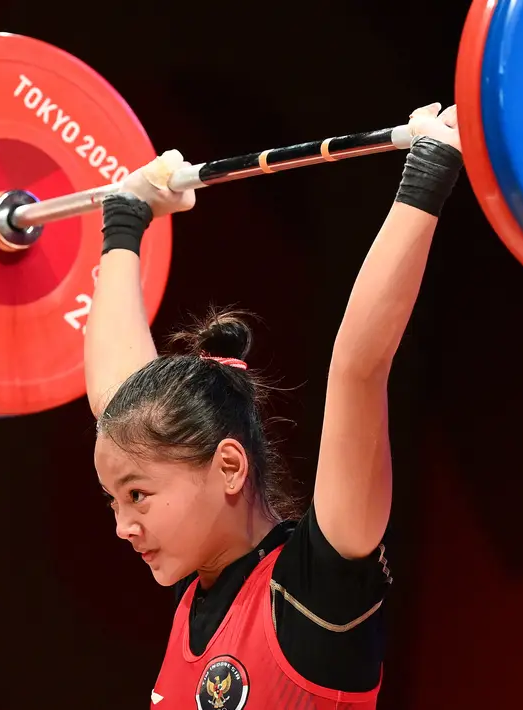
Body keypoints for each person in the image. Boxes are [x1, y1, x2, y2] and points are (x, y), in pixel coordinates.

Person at [86, 102, 463, 710]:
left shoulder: (314, 593)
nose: (123, 526)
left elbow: (358, 370)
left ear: (229, 467)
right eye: (115, 499)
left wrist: (429, 171)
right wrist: (123, 225)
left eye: (137, 495)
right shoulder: (202, 601)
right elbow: (116, 406)